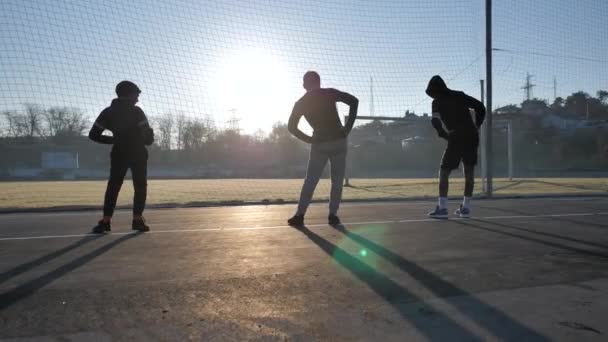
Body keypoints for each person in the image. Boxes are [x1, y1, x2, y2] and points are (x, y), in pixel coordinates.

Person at [287, 71, 358, 226]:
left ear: (306, 84)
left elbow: (291, 127)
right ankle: (333, 215)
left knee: (311, 180)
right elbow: (354, 101)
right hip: (339, 140)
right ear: (319, 82)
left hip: (320, 142)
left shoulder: (301, 102)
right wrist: (347, 129)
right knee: (337, 180)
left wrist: (309, 139)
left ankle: (300, 215)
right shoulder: (329, 93)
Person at [89, 80, 154, 233]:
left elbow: (93, 135)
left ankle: (106, 221)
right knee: (140, 186)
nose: (138, 98)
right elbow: (148, 139)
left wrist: (115, 140)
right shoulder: (137, 112)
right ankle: (137, 220)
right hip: (138, 153)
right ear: (130, 95)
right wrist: (149, 136)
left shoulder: (108, 112)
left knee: (113, 186)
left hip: (119, 152)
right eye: (137, 94)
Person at [425, 75, 485, 218]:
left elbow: (435, 122)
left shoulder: (437, 102)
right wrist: (477, 125)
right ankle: (465, 208)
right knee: (469, 171)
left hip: (456, 136)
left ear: (433, 91)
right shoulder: (459, 95)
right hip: (471, 136)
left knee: (444, 171)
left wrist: (445, 135)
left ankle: (443, 208)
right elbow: (480, 107)